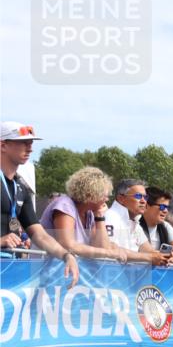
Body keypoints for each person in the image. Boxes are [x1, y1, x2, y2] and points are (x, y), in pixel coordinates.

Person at [0, 121, 78, 285]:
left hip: (8, 270)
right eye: (23, 143)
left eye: (31, 143)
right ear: (3, 145)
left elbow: (39, 235)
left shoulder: (20, 187)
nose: (30, 148)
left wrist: (66, 255)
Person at [39, 167, 124, 262]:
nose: (107, 199)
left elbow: (101, 247)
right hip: (46, 268)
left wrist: (99, 217)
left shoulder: (90, 213)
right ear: (91, 194)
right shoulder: (65, 205)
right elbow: (67, 245)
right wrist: (109, 253)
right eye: (105, 196)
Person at [106, 178, 172, 265]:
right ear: (121, 198)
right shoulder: (110, 216)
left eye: (145, 197)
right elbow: (110, 249)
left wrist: (161, 256)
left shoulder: (135, 220)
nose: (143, 201)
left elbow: (147, 250)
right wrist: (150, 257)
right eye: (138, 196)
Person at [139, 186, 173, 264]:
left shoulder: (165, 226)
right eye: (162, 207)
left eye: (167, 207)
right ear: (146, 206)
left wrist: (167, 259)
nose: (165, 211)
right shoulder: (134, 225)